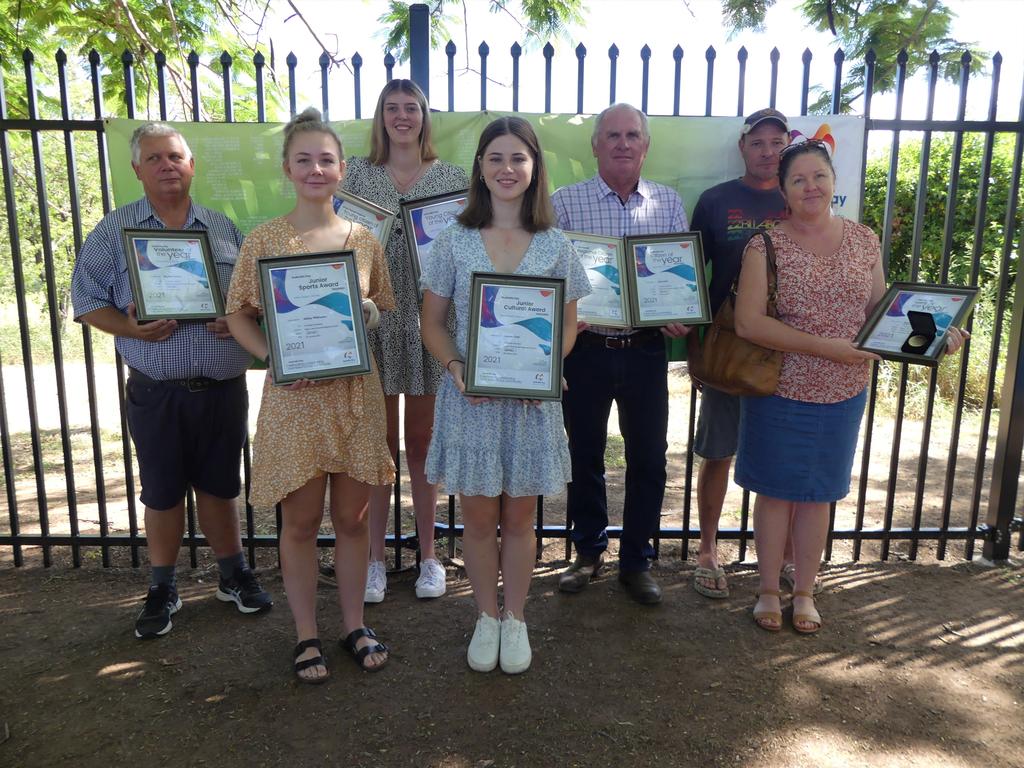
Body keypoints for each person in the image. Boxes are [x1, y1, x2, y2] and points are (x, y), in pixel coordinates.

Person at [733, 139, 966, 633]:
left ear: (834, 182)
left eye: (819, 176)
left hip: (844, 391)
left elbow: (880, 315)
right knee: (775, 493)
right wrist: (825, 347)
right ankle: (768, 590)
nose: (810, 186)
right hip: (781, 388)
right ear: (784, 190)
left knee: (819, 494)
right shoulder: (765, 245)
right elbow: (749, 324)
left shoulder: (864, 239)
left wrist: (934, 338)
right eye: (798, 179)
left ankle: (804, 592)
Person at [71, 122, 272, 640]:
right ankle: (162, 586)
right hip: (156, 390)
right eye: (155, 158)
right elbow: (87, 300)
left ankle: (232, 575)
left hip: (221, 388)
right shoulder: (113, 232)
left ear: (191, 165)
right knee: (161, 493)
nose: (167, 166)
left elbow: (254, 301)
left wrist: (237, 318)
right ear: (137, 169)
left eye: (175, 157)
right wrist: (129, 326)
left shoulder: (223, 229)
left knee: (222, 487)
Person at [225, 108, 396, 681]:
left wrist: (366, 314)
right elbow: (240, 315)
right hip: (296, 401)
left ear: (342, 169)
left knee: (352, 520)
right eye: (305, 160)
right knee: (298, 523)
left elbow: (381, 308)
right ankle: (305, 635)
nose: (316, 169)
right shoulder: (265, 240)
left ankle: (353, 623)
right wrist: (273, 356)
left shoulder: (365, 239)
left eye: (326, 159)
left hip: (354, 396)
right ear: (287, 169)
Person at [420, 116, 589, 674]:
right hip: (470, 400)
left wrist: (548, 364)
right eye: (495, 158)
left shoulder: (557, 245)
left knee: (519, 518)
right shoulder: (453, 240)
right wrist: (455, 367)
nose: (507, 168)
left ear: (535, 167)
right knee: (476, 518)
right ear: (481, 168)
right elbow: (433, 323)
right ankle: (485, 617)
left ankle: (515, 618)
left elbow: (568, 325)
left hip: (528, 405)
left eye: (518, 158)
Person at [336, 79, 468, 603]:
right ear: (380, 117)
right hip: (374, 321)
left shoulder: (454, 178)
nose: (402, 116)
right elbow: (339, 242)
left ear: (424, 116)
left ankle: (429, 556)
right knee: (377, 442)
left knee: (423, 441)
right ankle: (373, 559)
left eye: (411, 107)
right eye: (392, 108)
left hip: (432, 320)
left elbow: (466, 247)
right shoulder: (359, 173)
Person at [552, 103, 689, 605]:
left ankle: (637, 561)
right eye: (612, 135)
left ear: (646, 144)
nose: (623, 143)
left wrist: (678, 311)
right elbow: (551, 272)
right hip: (584, 347)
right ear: (595, 144)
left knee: (649, 457)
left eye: (633, 134)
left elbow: (679, 273)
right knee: (583, 453)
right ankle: (588, 551)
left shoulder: (669, 202)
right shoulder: (565, 202)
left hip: (646, 349)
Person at [690, 107, 801, 600]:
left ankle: (781, 560)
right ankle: (708, 550)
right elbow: (689, 277)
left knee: (783, 457)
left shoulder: (802, 198)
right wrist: (695, 349)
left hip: (790, 351)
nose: (768, 152)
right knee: (717, 452)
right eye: (758, 143)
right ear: (743, 147)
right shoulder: (715, 201)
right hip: (728, 350)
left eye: (777, 143)